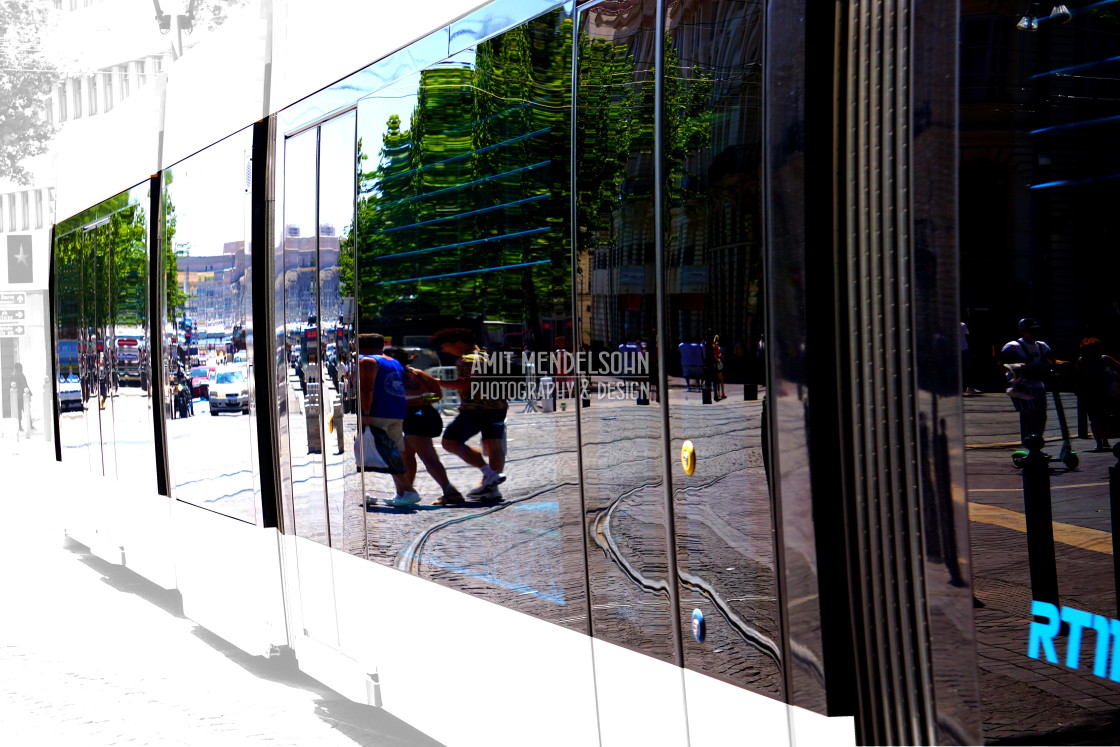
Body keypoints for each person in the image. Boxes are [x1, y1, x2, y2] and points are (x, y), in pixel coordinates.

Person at [431, 328, 507, 503]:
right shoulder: (488, 355)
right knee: (494, 445)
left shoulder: (465, 359)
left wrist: (434, 381)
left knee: (450, 442)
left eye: (445, 346)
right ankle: (492, 489)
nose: (444, 350)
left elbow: (465, 385)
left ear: (458, 344)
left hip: (475, 408)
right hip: (498, 406)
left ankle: (489, 474)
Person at [384, 347, 463, 505]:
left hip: (415, 417)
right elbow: (438, 394)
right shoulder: (418, 373)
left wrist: (414, 402)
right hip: (422, 414)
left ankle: (450, 492)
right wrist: (423, 401)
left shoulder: (395, 375)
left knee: (428, 457)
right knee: (406, 454)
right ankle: (406, 493)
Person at [357, 333, 420, 507]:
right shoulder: (394, 362)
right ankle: (401, 494)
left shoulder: (367, 362)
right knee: (395, 453)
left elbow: (367, 390)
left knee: (384, 453)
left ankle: (409, 490)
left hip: (378, 412)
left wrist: (365, 413)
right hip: (396, 411)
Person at [1001, 318, 1056, 446]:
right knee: (1030, 415)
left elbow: (1051, 360)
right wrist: (1021, 367)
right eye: (1030, 331)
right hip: (1021, 385)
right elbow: (1002, 365)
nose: (1034, 333)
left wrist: (1060, 363)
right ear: (1022, 332)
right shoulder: (1012, 347)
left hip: (1038, 383)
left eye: (1036, 330)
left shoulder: (1042, 346)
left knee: (1041, 415)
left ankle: (1037, 443)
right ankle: (1029, 444)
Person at [1075, 337, 1120, 452]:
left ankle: (1099, 442)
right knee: (1105, 417)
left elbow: (1078, 377)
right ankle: (1105, 440)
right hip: (1104, 391)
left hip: (1090, 393)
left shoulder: (1081, 360)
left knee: (1094, 419)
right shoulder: (1104, 359)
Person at [11, 362, 29, 431]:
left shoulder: (13, 375)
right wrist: (29, 393)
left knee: (20, 412)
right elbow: (24, 384)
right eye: (20, 368)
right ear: (17, 368)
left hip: (17, 397)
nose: (21, 369)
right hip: (21, 396)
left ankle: (21, 426)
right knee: (25, 411)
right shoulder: (19, 375)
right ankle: (24, 426)